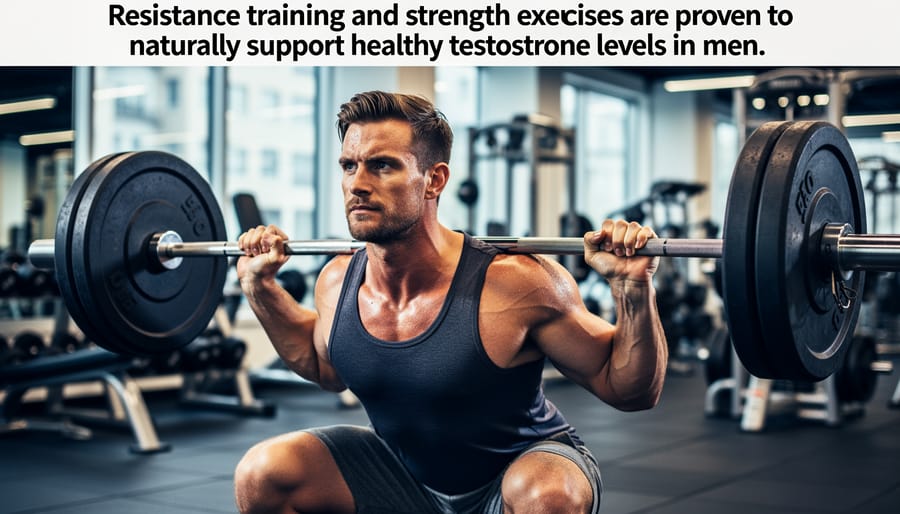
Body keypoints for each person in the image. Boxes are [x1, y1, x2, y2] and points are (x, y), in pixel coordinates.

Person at [233, 91, 667, 514]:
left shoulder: (516, 283)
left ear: (434, 180)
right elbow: (323, 367)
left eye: (382, 165)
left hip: (513, 474)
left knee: (547, 496)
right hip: (401, 475)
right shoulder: (336, 280)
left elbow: (628, 389)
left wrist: (632, 288)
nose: (358, 184)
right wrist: (259, 288)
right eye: (349, 165)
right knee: (263, 474)